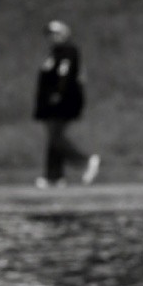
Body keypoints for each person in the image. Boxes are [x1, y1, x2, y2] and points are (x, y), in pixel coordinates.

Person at [33, 20, 100, 187]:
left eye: (56, 34)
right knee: (53, 137)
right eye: (50, 35)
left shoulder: (69, 52)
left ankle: (85, 161)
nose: (53, 38)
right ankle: (54, 176)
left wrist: (57, 95)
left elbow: (65, 77)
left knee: (56, 137)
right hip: (50, 104)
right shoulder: (54, 53)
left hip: (62, 103)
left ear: (64, 34)